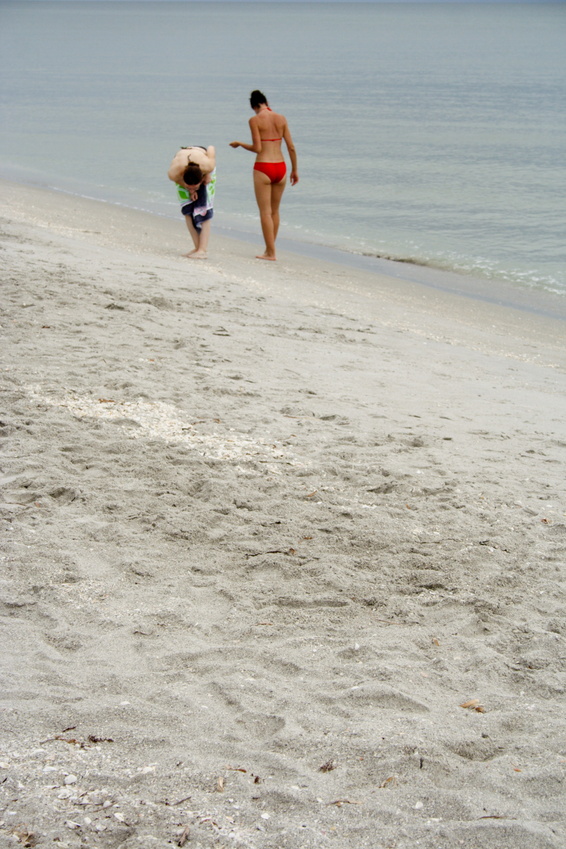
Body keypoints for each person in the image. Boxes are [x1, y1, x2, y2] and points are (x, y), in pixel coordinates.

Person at [230, 90, 298, 261]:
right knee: (275, 212)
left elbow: (257, 148)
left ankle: (271, 252)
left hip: (264, 167)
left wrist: (239, 143)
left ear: (254, 106)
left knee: (265, 213)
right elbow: (291, 147)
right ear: (266, 102)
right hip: (281, 167)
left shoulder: (254, 120)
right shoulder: (281, 118)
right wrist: (294, 170)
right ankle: (270, 250)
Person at [168, 145, 216, 259]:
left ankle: (202, 250)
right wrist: (189, 190)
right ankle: (197, 247)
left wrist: (208, 174)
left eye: (195, 187)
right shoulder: (174, 173)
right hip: (183, 163)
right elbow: (177, 180)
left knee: (203, 211)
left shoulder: (207, 166)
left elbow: (211, 148)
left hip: (202, 158)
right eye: (189, 187)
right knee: (188, 211)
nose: (192, 189)